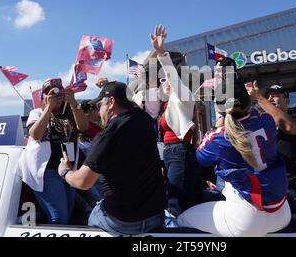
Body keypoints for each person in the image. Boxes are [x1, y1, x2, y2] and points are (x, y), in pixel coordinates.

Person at [177, 80, 291, 237]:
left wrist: (218, 126)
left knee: (183, 219)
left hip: (246, 220)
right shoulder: (267, 121)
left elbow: (200, 159)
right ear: (248, 101)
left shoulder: (217, 137)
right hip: (282, 213)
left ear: (220, 109)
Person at [58, 81, 167, 236]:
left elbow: (83, 182)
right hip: (156, 217)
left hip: (123, 222)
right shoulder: (144, 120)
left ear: (111, 103)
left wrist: (65, 172)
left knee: (93, 214)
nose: (99, 111)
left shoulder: (108, 135)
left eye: (100, 105)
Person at [19, 78, 89, 224]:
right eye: (49, 93)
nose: (55, 96)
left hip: (68, 169)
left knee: (68, 213)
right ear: (43, 97)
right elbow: (35, 134)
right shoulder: (37, 113)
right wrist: (48, 107)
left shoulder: (70, 112)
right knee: (59, 217)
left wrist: (73, 102)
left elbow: (83, 127)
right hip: (47, 171)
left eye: (59, 92)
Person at [150, 25, 202, 217]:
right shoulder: (167, 104)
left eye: (166, 79)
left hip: (179, 151)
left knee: (176, 202)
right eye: (161, 80)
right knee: (181, 199)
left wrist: (161, 53)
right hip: (171, 153)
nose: (163, 83)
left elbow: (172, 76)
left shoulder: (184, 95)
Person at [247, 84, 296, 214]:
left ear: (287, 101)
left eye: (275, 95)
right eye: (268, 95)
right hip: (270, 188)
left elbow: (288, 126)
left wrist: (259, 98)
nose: (270, 98)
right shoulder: (262, 126)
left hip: (295, 191)